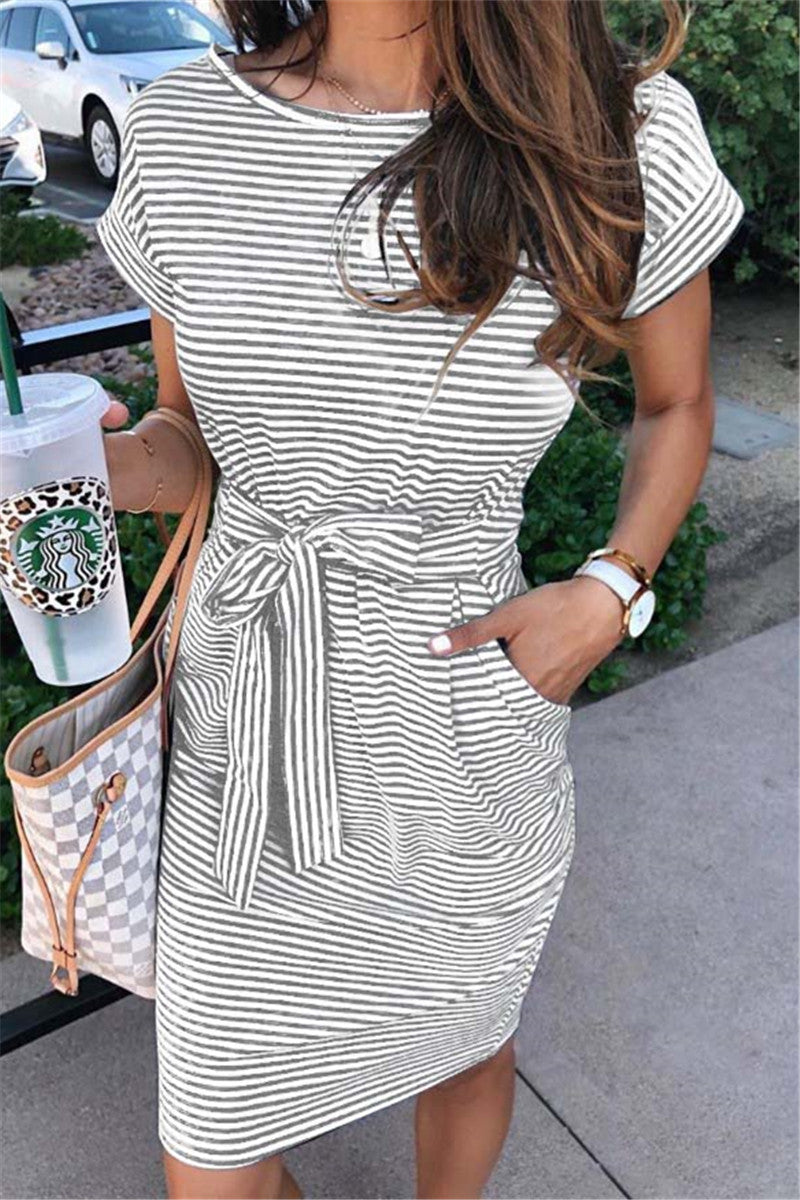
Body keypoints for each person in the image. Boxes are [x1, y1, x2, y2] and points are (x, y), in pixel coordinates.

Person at [96, 1, 745, 1196]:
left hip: (458, 705)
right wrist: (102, 471)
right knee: (215, 1133)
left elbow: (677, 402)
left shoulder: (614, 131)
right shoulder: (182, 129)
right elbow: (187, 444)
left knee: (462, 1036)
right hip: (248, 722)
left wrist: (610, 588)